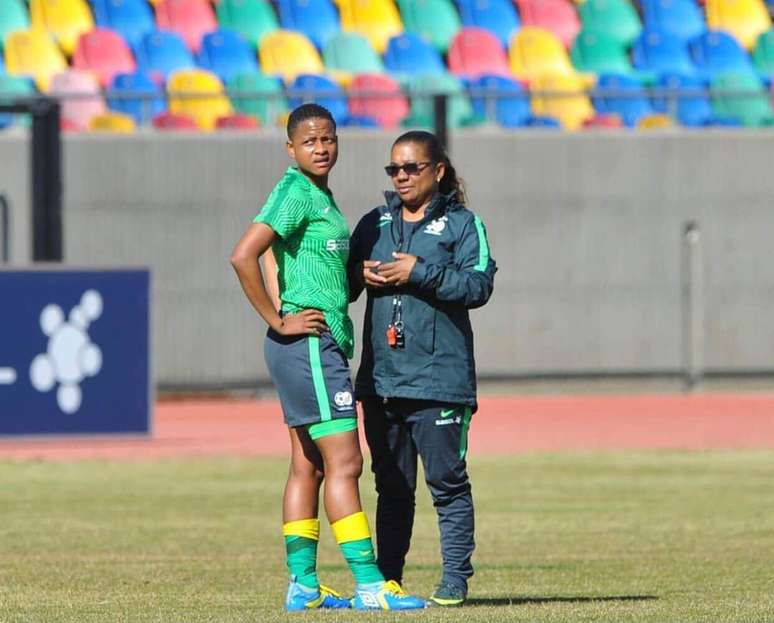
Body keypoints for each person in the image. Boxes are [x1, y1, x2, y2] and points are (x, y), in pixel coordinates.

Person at [230, 104, 425, 612]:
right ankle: (369, 584)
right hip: (310, 347)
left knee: (307, 466)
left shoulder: (317, 196)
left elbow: (280, 256)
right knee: (347, 461)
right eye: (311, 141)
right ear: (291, 148)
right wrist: (278, 318)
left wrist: (356, 273)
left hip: (312, 346)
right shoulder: (295, 190)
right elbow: (245, 253)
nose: (322, 148)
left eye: (329, 139)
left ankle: (303, 586)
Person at [348, 130, 496, 608]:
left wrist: (419, 272)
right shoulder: (374, 222)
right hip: (382, 381)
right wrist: (358, 275)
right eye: (394, 168)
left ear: (438, 171)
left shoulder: (462, 224)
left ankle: (454, 577)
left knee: (447, 484)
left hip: (439, 382)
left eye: (412, 167)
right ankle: (388, 581)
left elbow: (478, 287)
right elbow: (346, 283)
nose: (402, 176)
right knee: (391, 487)